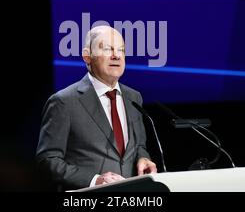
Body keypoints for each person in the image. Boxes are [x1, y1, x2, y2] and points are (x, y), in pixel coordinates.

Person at [36, 25, 157, 190]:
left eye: (121, 50)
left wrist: (143, 158)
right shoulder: (64, 102)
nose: (116, 56)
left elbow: (139, 147)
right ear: (87, 56)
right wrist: (95, 180)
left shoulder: (133, 98)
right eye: (107, 49)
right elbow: (48, 160)